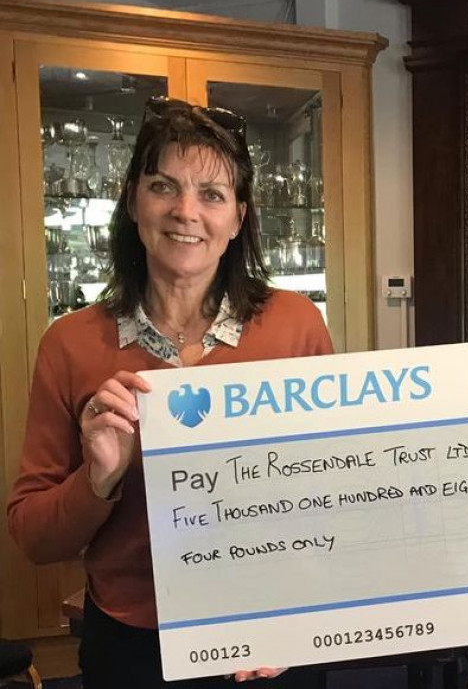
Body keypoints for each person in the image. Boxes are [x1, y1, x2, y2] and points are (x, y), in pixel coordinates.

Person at [7, 98, 333, 688]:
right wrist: (98, 479)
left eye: (212, 193)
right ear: (133, 201)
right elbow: (34, 537)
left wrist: (307, 618)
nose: (186, 211)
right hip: (132, 643)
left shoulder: (296, 324)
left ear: (239, 218)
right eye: (164, 186)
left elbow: (337, 489)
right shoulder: (71, 344)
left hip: (266, 638)